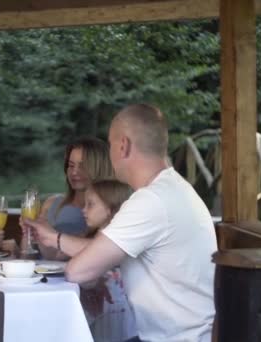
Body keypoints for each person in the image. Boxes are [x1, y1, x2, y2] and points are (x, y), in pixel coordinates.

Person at [26, 104, 217, 342]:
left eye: (110, 144)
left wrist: (56, 239)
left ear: (123, 146)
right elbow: (106, 251)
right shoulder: (174, 189)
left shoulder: (150, 201)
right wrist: (53, 238)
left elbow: (78, 270)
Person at [34, 136, 114, 260]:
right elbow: (47, 257)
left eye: (82, 166)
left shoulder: (111, 210)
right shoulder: (51, 203)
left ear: (99, 168)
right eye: (71, 166)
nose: (74, 172)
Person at [79, 179, 137, 342]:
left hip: (117, 320)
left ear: (111, 210)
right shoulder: (92, 238)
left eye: (90, 204)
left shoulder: (118, 243)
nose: (83, 210)